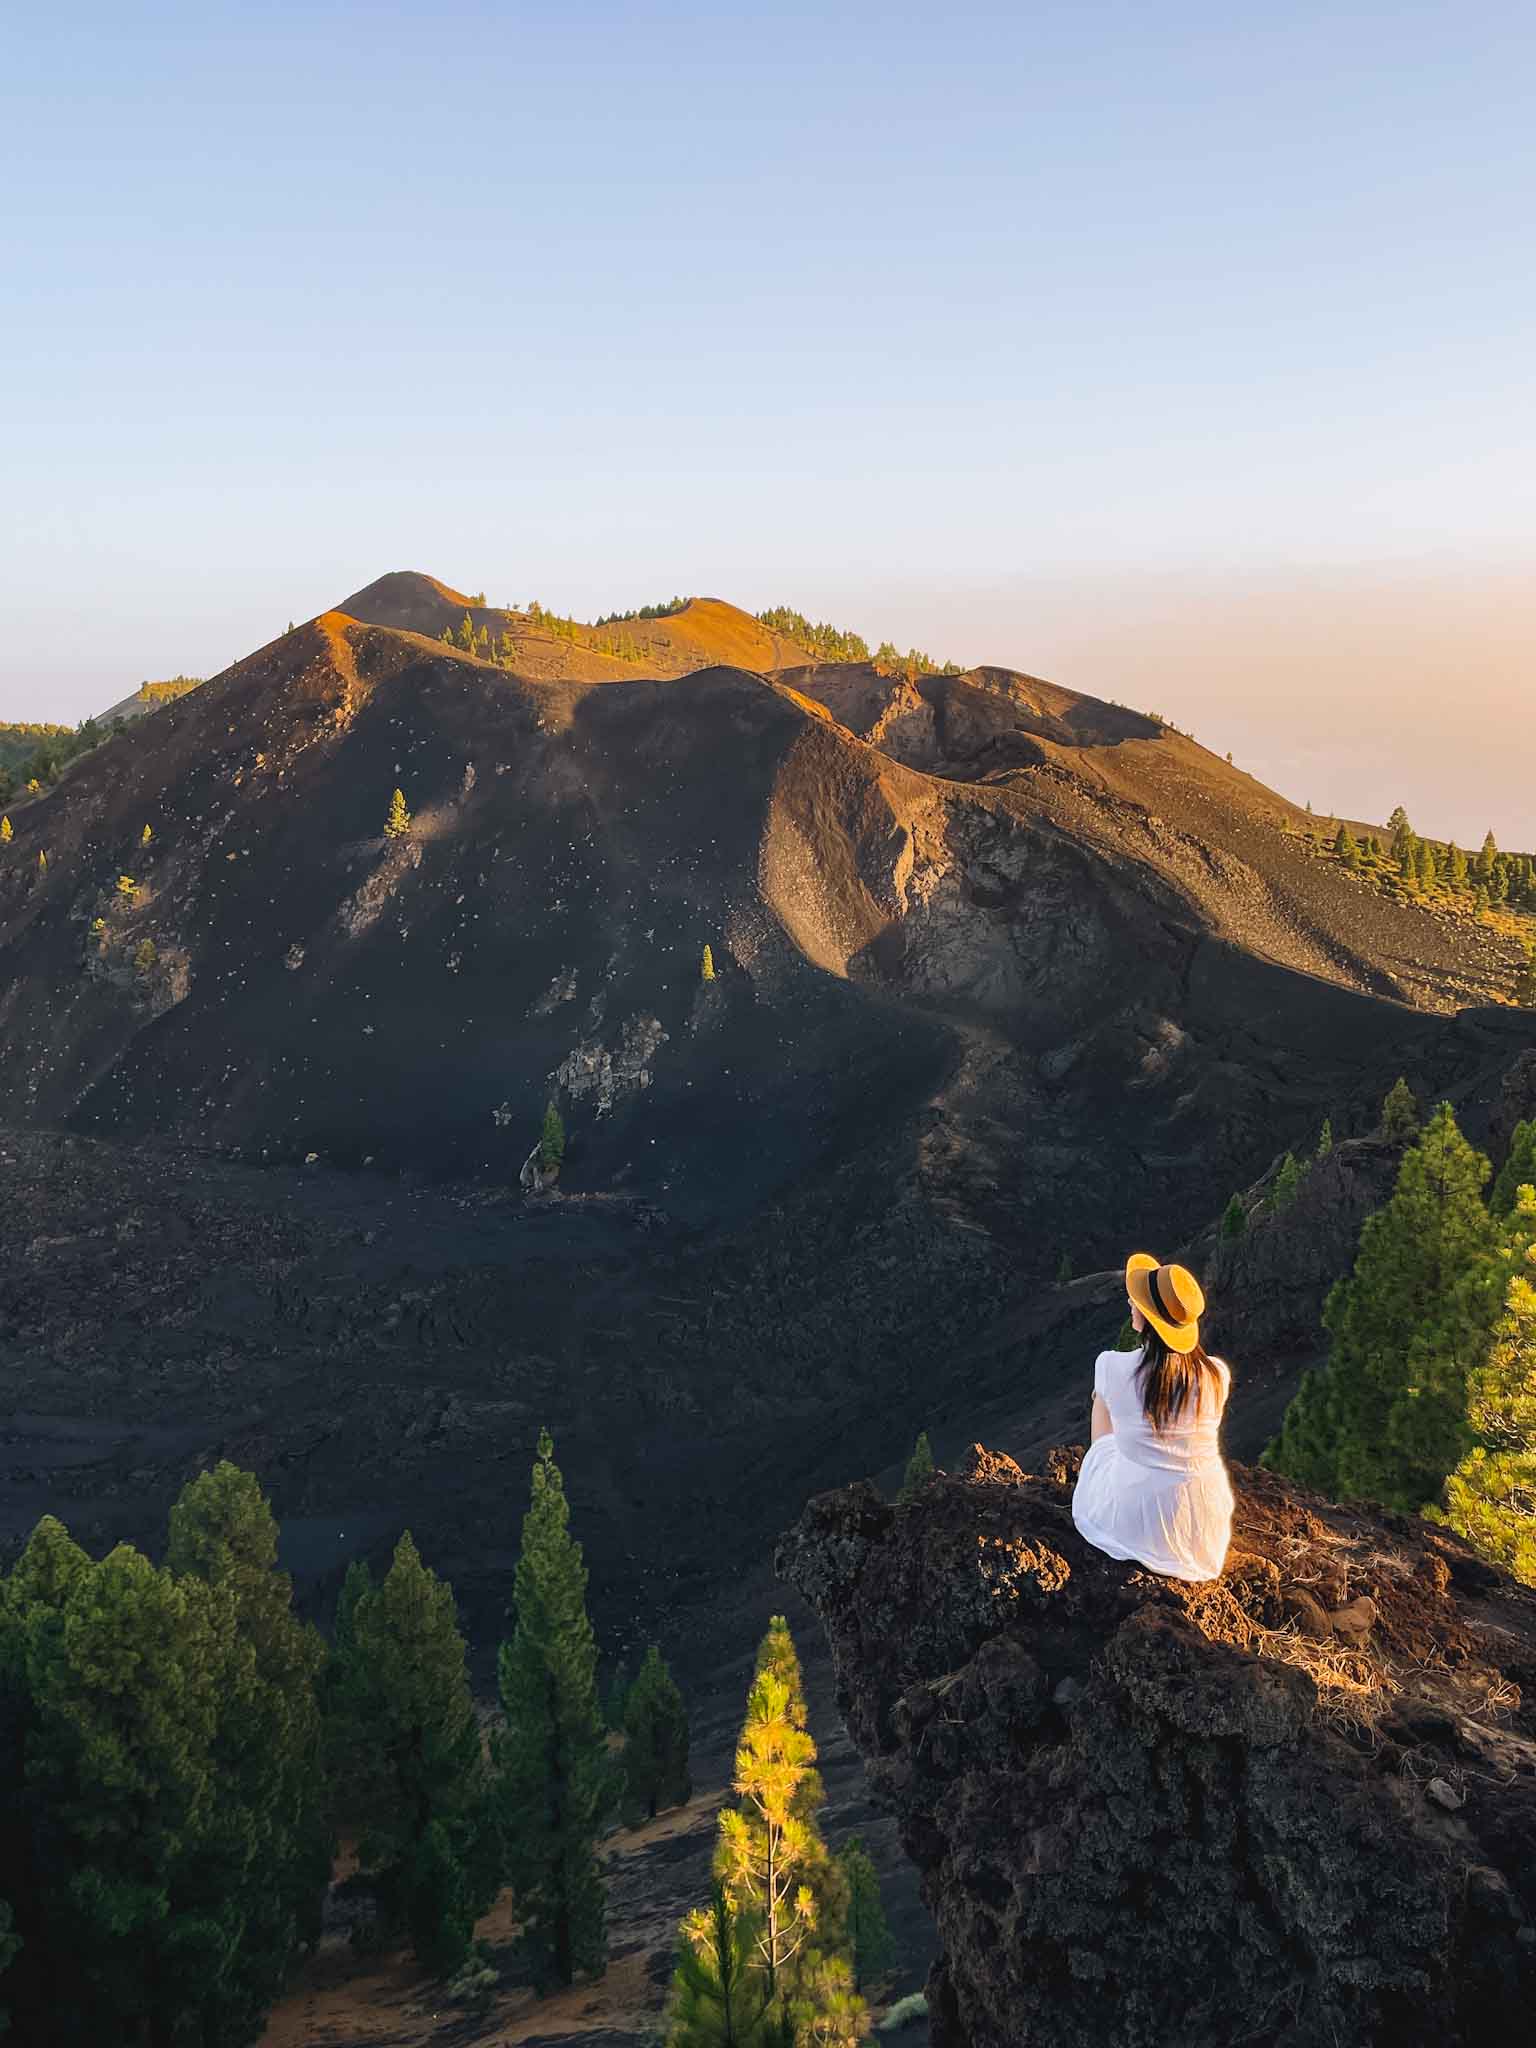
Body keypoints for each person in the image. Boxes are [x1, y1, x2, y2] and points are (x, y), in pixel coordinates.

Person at [1070, 1253, 1234, 1582]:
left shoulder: (1112, 1366)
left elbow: (1111, 1423)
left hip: (1138, 1516)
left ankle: (1104, 1479)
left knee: (1102, 1405)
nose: (1131, 1302)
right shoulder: (1217, 1374)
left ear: (1148, 1316)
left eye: (1137, 1300)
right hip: (1204, 1524)